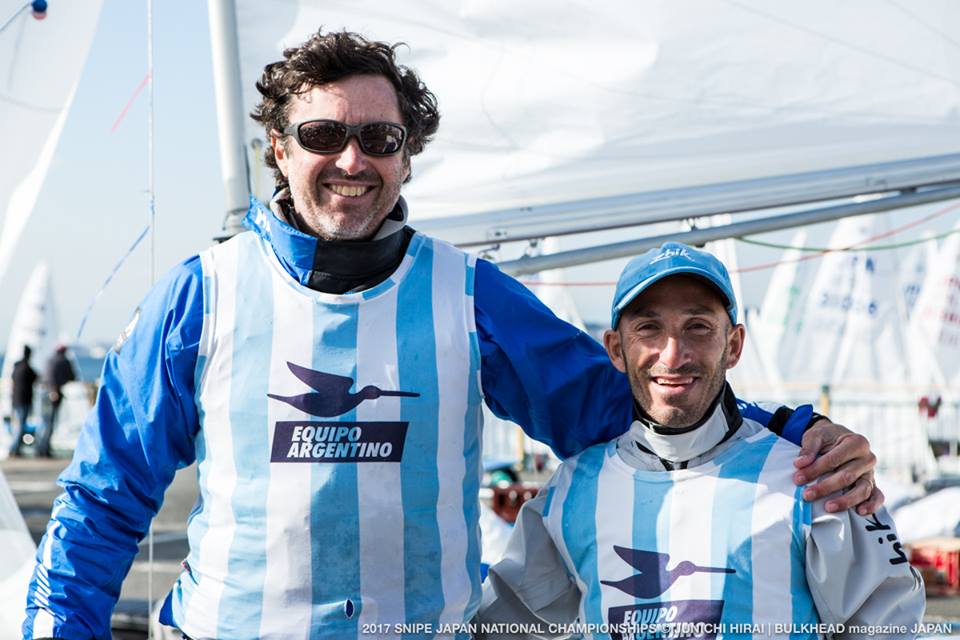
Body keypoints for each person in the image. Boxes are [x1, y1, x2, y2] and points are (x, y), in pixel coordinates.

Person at [23, 31, 880, 640]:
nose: (352, 160)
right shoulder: (201, 298)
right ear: (278, 148)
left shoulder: (469, 296)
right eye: (322, 135)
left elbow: (626, 410)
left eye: (379, 139)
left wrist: (796, 436)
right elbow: (103, 499)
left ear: (407, 156)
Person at [478, 242, 924, 638]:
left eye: (698, 327)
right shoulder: (570, 492)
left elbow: (890, 628)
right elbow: (500, 628)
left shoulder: (815, 481)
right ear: (615, 349)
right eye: (648, 328)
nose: (673, 355)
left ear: (734, 345)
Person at [35, 345, 76, 458]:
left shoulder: (49, 360)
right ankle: (44, 449)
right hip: (54, 393)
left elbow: (44, 376)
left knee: (43, 420)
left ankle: (39, 448)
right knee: (49, 422)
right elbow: (72, 376)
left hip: (43, 391)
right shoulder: (63, 361)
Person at [9, 346, 38, 458]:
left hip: (15, 400)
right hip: (23, 400)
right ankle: (15, 448)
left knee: (17, 425)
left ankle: (15, 448)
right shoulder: (27, 368)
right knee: (20, 426)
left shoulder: (17, 367)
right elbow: (35, 377)